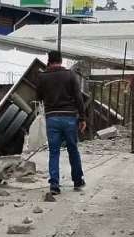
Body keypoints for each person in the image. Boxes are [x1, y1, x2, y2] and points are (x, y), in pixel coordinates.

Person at [36, 50, 86, 195]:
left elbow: (38, 96)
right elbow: (78, 98)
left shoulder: (42, 77)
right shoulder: (70, 75)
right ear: (61, 60)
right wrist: (82, 118)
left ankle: (54, 185)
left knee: (54, 152)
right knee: (73, 149)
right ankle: (77, 180)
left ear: (49, 61)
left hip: (52, 118)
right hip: (70, 118)